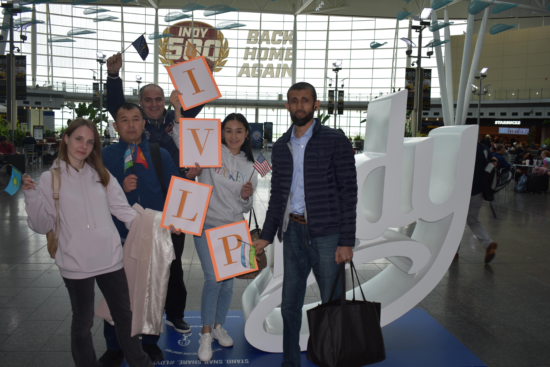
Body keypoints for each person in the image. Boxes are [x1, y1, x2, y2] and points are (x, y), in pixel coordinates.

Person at [21, 118, 153, 367]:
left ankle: (141, 363)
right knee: (83, 324)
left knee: (125, 317)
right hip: (75, 263)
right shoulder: (52, 180)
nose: (83, 146)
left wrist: (158, 228)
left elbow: (124, 212)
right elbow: (41, 225)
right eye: (79, 139)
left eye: (90, 142)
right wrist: (31, 196)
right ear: (66, 139)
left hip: (110, 259)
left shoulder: (102, 176)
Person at [253, 82, 357, 367]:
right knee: (289, 305)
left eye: (305, 100)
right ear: (287, 105)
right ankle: (290, 362)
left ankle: (333, 358)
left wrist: (346, 240)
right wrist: (266, 235)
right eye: (294, 101)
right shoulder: (282, 146)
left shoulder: (335, 140)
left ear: (316, 105)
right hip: (293, 232)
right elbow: (277, 195)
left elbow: (349, 191)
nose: (299, 106)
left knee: (331, 304)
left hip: (327, 234)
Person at [99, 103, 201, 366]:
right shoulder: (105, 156)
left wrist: (183, 213)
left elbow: (174, 190)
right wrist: (120, 187)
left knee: (153, 291)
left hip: (154, 235)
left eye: (136, 119)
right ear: (115, 125)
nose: (131, 124)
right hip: (118, 236)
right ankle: (114, 345)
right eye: (124, 120)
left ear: (144, 124)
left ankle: (149, 342)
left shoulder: (159, 154)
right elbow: (95, 195)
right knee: (117, 296)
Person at [193, 113, 257, 362]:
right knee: (213, 279)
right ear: (221, 133)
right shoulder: (209, 154)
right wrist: (178, 114)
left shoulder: (250, 165)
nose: (233, 135)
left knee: (228, 282)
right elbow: (183, 138)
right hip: (207, 224)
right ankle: (206, 333)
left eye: (238, 131)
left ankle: (219, 325)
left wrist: (244, 196)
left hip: (234, 228)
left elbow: (246, 207)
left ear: (246, 134)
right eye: (228, 130)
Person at [106, 52, 213, 171]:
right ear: (140, 103)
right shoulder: (136, 123)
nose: (154, 104)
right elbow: (117, 107)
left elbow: (198, 97)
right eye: (148, 100)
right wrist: (113, 75)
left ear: (164, 101)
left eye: (158, 99)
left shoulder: (176, 117)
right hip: (146, 184)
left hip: (177, 181)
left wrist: (206, 73)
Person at [461, 143, 498, 263]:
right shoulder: (483, 148)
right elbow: (493, 162)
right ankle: (488, 244)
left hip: (460, 191)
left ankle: (454, 251)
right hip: (477, 191)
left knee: (456, 221)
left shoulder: (460, 145)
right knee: (473, 220)